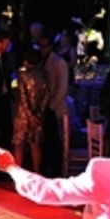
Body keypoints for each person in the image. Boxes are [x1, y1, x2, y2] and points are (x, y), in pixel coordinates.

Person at [12, 46, 49, 172]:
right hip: (38, 114)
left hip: (23, 114)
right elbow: (46, 96)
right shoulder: (44, 75)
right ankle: (36, 172)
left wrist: (29, 114)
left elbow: (23, 97)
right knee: (35, 144)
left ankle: (18, 172)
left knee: (19, 144)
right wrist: (38, 113)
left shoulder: (23, 75)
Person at [37, 35, 70, 176]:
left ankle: (56, 170)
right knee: (46, 140)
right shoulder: (41, 61)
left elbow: (62, 87)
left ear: (50, 46)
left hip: (54, 108)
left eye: (44, 46)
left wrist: (51, 105)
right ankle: (46, 167)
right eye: (40, 46)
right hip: (45, 106)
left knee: (55, 140)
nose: (42, 49)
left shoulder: (58, 62)